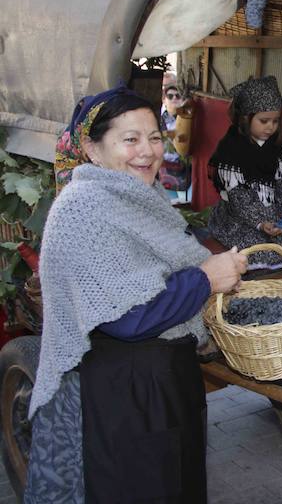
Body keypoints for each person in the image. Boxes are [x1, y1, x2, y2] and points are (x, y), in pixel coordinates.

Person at [28, 85, 248, 503]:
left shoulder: (140, 199)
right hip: (122, 394)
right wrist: (206, 279)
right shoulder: (82, 208)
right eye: (129, 140)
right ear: (93, 149)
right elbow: (127, 316)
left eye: (153, 137)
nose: (146, 151)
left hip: (165, 381)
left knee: (179, 485)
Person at [208, 76, 282, 268]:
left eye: (275, 121)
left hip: (276, 211)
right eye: (264, 121)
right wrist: (262, 223)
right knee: (266, 252)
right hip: (241, 215)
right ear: (246, 118)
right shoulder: (230, 150)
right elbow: (239, 198)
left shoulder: (281, 147)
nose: (270, 127)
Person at [159, 78, 192, 198]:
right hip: (163, 170)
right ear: (164, 99)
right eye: (170, 96)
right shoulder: (158, 117)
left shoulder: (187, 117)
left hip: (184, 169)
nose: (174, 99)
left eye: (177, 96)